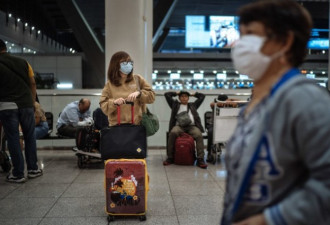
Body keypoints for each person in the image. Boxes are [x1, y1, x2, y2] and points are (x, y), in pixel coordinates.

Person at [221, 1, 330, 225]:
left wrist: (267, 220)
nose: (239, 44)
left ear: (284, 41)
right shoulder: (256, 105)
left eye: (250, 35)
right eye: (240, 35)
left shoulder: (306, 100)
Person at [0, 39, 42, 183]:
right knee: (30, 136)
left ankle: (18, 173)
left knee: (13, 138)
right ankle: (33, 169)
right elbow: (32, 82)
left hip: (7, 105)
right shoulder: (23, 62)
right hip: (26, 104)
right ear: (5, 47)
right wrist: (31, 101)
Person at [99, 51, 155, 126]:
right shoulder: (110, 84)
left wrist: (139, 93)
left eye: (129, 62)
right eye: (124, 63)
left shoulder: (137, 79)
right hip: (116, 128)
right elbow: (104, 107)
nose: (128, 65)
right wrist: (114, 102)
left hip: (136, 126)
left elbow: (152, 97)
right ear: (116, 65)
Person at [163, 90, 207, 169]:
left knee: (198, 135)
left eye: (186, 96)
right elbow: (166, 95)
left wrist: (193, 94)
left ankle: (200, 159)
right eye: (182, 96)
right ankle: (170, 158)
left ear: (188, 98)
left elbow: (202, 96)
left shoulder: (193, 105)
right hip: (179, 126)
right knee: (173, 133)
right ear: (179, 98)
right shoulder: (175, 105)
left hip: (192, 126)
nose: (184, 98)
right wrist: (176, 93)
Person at [206, 94, 241, 162]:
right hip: (215, 125)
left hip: (228, 125)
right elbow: (212, 104)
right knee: (211, 132)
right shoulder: (215, 106)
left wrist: (231, 100)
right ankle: (209, 152)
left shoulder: (231, 105)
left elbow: (240, 101)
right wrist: (221, 103)